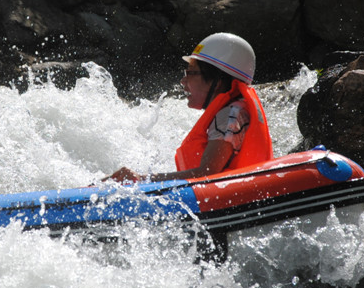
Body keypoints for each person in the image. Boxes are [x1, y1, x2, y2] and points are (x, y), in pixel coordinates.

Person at [106, 32, 273, 183]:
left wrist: (142, 179)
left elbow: (207, 174)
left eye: (191, 73)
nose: (182, 81)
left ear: (217, 82)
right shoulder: (234, 110)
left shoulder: (230, 115)